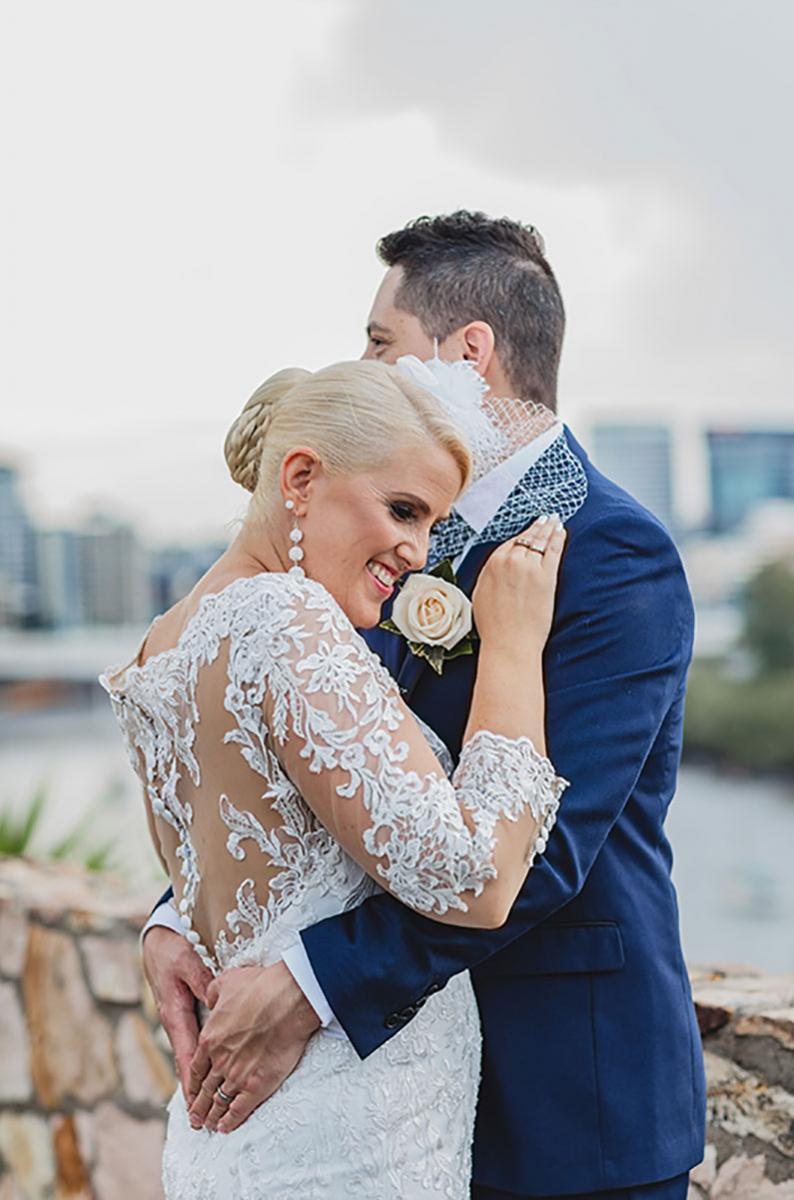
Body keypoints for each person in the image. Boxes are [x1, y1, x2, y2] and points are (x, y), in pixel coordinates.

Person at [143, 212, 706, 1200]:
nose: (357, 366)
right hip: (382, 1101)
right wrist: (178, 913)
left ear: (469, 352)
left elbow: (548, 853)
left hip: (563, 1104)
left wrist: (314, 983)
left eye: (378, 343)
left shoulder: (614, 553)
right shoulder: (362, 537)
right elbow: (298, 762)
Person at [102, 357, 568, 1197]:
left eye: (431, 523)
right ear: (301, 478)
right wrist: (510, 643)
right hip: (347, 1141)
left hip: (241, 1137)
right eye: (401, 509)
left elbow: (207, 863)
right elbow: (477, 879)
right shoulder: (284, 612)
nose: (416, 551)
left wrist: (162, 926)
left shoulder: (161, 642)